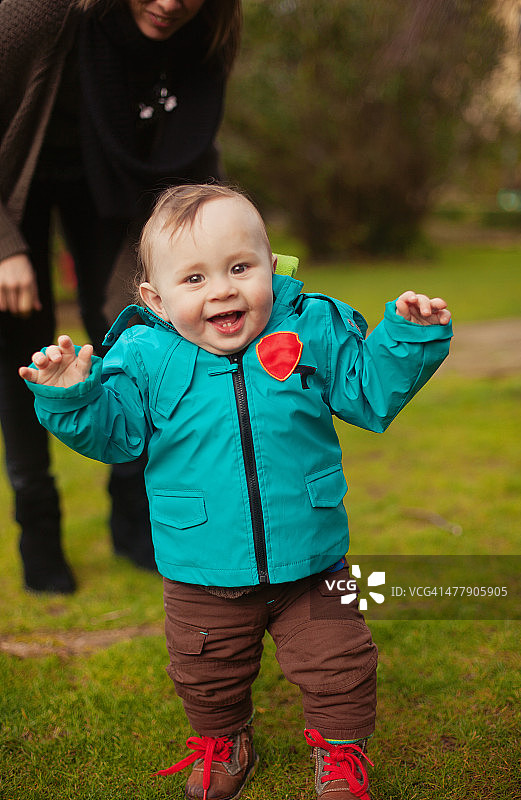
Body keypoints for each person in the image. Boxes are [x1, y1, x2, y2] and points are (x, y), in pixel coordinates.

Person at [20, 184, 453, 800]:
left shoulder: (310, 329)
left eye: (240, 268)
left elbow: (368, 388)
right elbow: (113, 434)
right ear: (156, 298)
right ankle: (226, 740)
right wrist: (71, 396)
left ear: (271, 269)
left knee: (341, 664)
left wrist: (405, 337)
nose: (222, 289)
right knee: (206, 674)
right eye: (193, 278)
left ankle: (340, 756)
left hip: (314, 556)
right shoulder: (144, 357)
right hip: (202, 565)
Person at [0, 0, 241, 592]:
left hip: (113, 189)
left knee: (138, 336)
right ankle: (40, 528)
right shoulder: (37, 13)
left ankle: (133, 521)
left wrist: (214, 253)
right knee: (20, 347)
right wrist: (3, 247)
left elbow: (191, 156)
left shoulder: (206, 33)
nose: (171, 3)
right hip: (10, 185)